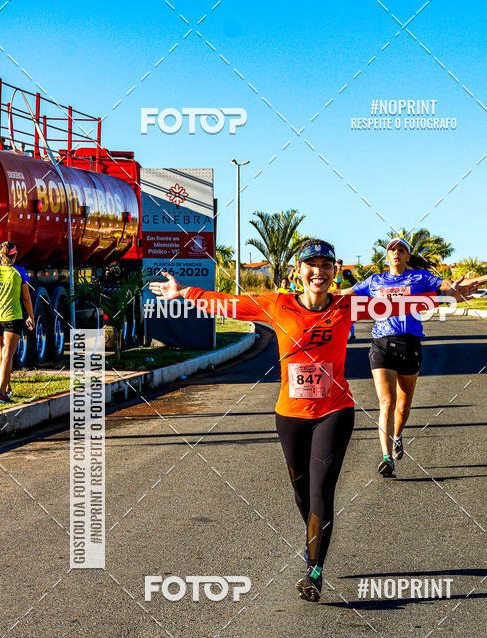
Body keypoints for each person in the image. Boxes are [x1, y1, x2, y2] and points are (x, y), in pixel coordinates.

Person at [149, 239, 452, 602]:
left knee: (321, 490)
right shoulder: (278, 304)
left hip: (334, 412)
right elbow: (230, 304)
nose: (318, 272)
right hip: (289, 415)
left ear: (335, 272)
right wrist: (185, 292)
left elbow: (405, 302)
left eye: (326, 266)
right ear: (298, 271)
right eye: (311, 265)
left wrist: (451, 295)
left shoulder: (347, 305)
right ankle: (313, 534)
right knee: (302, 493)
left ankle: (314, 570)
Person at [349, 237, 487, 477]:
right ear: (387, 256)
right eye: (392, 250)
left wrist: (486, 279)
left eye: (401, 250)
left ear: (407, 256)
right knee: (386, 402)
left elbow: (451, 287)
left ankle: (398, 434)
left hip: (409, 344)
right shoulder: (375, 281)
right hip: (380, 343)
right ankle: (386, 458)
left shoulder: (420, 278)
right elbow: (342, 293)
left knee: (403, 406)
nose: (396, 253)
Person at [0, 241, 34, 403]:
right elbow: (26, 298)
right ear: (15, 256)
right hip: (13, 318)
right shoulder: (19, 272)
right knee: (8, 356)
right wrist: (31, 316)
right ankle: (1, 393)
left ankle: (6, 387)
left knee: (1, 355)